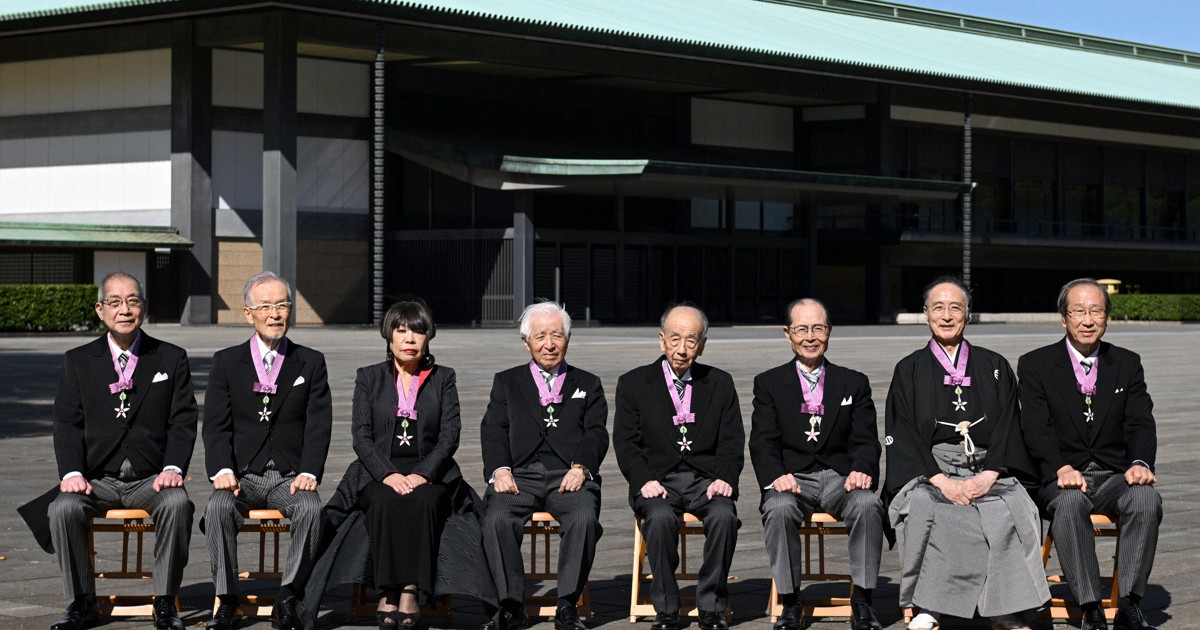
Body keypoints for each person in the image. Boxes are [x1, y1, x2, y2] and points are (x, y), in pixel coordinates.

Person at [883, 276, 1048, 630]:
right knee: (931, 508)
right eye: (937, 308)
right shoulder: (908, 369)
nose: (946, 315)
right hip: (932, 468)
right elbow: (904, 432)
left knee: (1012, 509)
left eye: (955, 307)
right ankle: (930, 605)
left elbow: (1008, 425)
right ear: (925, 314)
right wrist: (942, 481)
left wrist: (989, 474)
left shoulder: (995, 364)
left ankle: (1003, 608)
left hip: (989, 467)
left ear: (968, 314)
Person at [46, 271, 198, 630]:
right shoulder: (77, 360)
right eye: (115, 302)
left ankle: (164, 601)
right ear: (101, 310)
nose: (125, 310)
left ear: (143, 307)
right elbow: (66, 423)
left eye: (133, 301)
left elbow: (183, 421)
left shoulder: (170, 358)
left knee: (178, 503)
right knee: (62, 508)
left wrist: (173, 467)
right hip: (97, 478)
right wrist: (72, 473)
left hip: (150, 477)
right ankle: (82, 601)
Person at [1018, 279, 1161, 630]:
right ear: (1063, 318)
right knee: (1069, 504)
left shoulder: (1127, 363)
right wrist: (1059, 467)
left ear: (1107, 317)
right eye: (1078, 311)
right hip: (1060, 476)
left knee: (1146, 499)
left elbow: (1141, 422)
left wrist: (1140, 463)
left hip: (1114, 475)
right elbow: (1035, 428)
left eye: (1096, 311)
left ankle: (1130, 603)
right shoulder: (1036, 364)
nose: (1087, 319)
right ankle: (1090, 606)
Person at [202, 271, 333, 630]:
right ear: (248, 314)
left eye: (282, 305)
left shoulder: (310, 361)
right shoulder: (227, 361)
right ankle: (227, 599)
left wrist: (310, 471)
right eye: (266, 306)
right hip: (242, 475)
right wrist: (221, 470)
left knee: (310, 508)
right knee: (217, 507)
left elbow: (319, 423)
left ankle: (288, 598)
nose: (275, 314)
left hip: (289, 476)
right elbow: (215, 425)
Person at [329, 297, 465, 630]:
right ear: (388, 336)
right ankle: (387, 589)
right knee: (386, 500)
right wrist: (387, 474)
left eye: (417, 332)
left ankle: (409, 591)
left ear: (428, 337)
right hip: (378, 471)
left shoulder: (443, 377)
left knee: (426, 500)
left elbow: (450, 436)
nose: (409, 339)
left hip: (428, 471)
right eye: (401, 331)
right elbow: (360, 435)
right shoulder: (370, 377)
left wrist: (422, 474)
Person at [750, 299, 884, 630]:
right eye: (801, 329)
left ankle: (863, 600)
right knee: (778, 508)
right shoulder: (769, 383)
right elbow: (762, 441)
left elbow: (866, 440)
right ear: (788, 334)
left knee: (868, 504)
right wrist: (776, 476)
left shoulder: (853, 382)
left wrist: (861, 469)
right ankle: (790, 601)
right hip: (793, 478)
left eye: (818, 328)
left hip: (840, 477)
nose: (810, 337)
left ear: (829, 332)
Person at [613, 303, 744, 630]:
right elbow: (626, 443)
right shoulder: (633, 384)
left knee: (725, 516)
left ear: (701, 345)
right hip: (658, 480)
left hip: (704, 481)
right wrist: (644, 480)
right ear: (661, 341)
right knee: (657, 519)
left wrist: (724, 477)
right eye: (674, 339)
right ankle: (666, 608)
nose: (682, 349)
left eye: (691, 340)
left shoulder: (720, 383)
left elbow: (731, 440)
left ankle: (711, 605)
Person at [479, 301, 608, 630]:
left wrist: (581, 468)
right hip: (519, 475)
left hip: (568, 475)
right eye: (540, 336)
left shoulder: (588, 383)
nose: (549, 344)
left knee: (583, 517)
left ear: (568, 338)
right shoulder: (507, 381)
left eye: (557, 335)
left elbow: (595, 432)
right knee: (495, 517)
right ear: (526, 342)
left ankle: (567, 604)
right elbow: (494, 429)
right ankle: (510, 604)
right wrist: (499, 469)